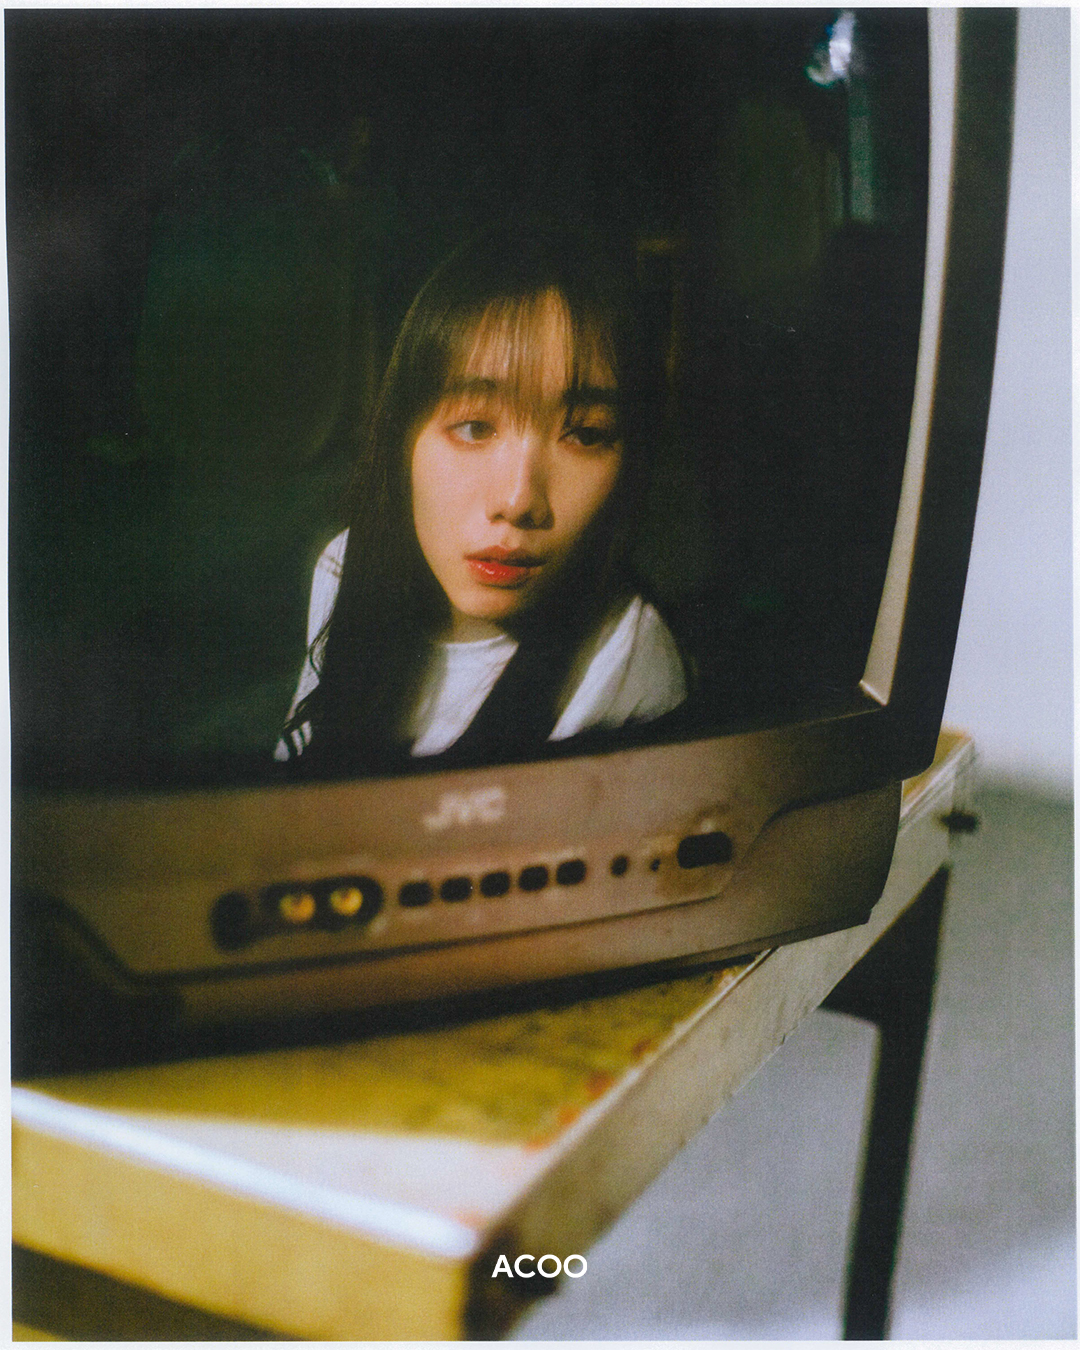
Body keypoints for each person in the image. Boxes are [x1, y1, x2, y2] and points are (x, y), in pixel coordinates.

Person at [277, 219, 686, 773]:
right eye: (474, 427)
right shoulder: (345, 565)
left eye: (585, 434)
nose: (518, 501)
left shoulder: (624, 655)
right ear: (403, 437)